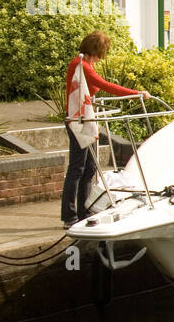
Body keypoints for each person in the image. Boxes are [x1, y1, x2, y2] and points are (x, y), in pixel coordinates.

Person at [62, 31, 149, 227]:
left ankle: (84, 211)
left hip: (86, 119)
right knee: (77, 168)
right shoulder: (82, 66)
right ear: (97, 51)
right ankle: (69, 216)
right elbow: (105, 85)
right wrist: (137, 93)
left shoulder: (83, 63)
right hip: (79, 122)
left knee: (89, 168)